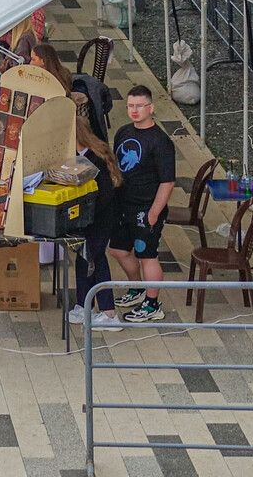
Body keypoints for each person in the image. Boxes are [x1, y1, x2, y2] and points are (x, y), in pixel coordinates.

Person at [107, 84, 176, 322]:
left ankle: (152, 304)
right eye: (130, 106)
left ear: (151, 108)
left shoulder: (160, 142)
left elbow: (167, 182)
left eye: (139, 106)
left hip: (146, 207)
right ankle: (137, 288)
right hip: (122, 204)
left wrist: (154, 212)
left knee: (147, 255)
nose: (134, 110)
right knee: (117, 249)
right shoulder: (123, 132)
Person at [70, 91, 125, 329]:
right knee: (83, 258)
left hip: (100, 217)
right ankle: (84, 305)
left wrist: (85, 214)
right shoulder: (78, 154)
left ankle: (109, 312)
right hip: (88, 217)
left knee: (96, 258)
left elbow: (103, 195)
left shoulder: (95, 158)